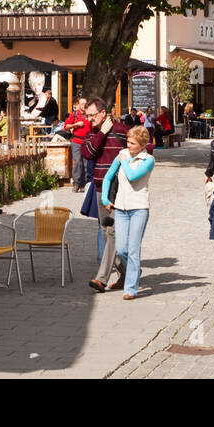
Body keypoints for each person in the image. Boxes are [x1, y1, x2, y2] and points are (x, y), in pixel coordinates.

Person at [101, 125, 154, 300]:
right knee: (121, 248)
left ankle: (130, 288)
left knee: (133, 249)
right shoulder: (122, 154)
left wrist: (124, 160)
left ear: (142, 144)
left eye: (132, 143)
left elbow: (132, 176)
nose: (128, 145)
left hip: (139, 208)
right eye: (128, 142)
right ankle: (134, 270)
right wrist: (104, 197)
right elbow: (108, 176)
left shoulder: (148, 160)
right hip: (121, 208)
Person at [82, 98, 128, 290]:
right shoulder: (93, 132)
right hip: (101, 189)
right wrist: (101, 132)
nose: (89, 119)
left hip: (120, 190)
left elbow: (145, 146)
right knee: (106, 232)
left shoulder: (122, 130)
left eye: (92, 115)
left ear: (103, 113)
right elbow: (87, 152)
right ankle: (129, 272)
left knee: (113, 233)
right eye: (87, 115)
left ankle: (101, 278)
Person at [64, 97, 90, 192]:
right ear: (78, 105)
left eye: (85, 103)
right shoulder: (74, 115)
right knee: (78, 162)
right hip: (76, 141)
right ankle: (76, 183)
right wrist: (76, 125)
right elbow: (66, 127)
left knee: (86, 163)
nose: (84, 105)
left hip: (87, 142)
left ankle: (85, 184)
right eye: (82, 103)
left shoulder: (90, 114)